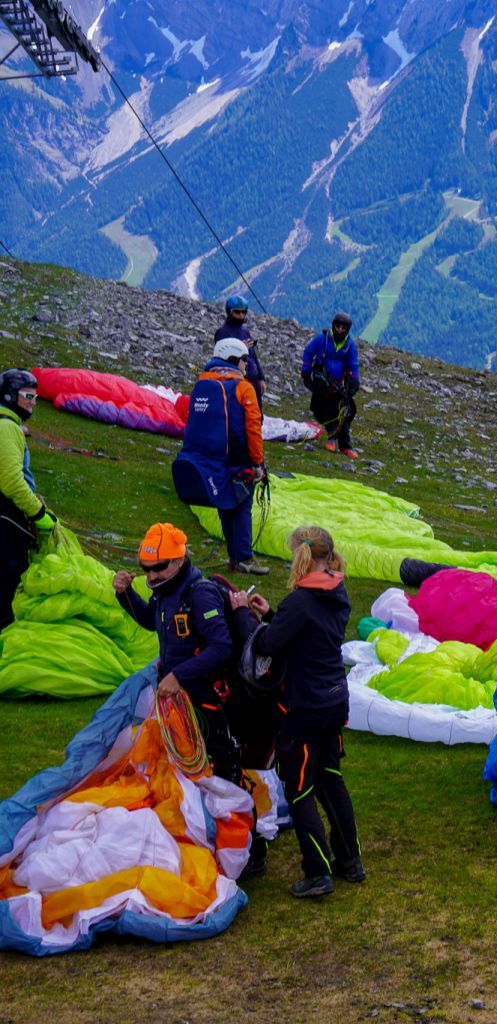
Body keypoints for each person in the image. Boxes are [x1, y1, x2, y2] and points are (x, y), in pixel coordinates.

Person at [230, 526, 361, 897]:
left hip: (304, 706)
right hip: (334, 698)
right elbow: (307, 632)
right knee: (330, 777)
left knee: (299, 787)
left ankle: (317, 872)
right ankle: (350, 860)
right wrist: (273, 613)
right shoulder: (338, 591)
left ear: (300, 555)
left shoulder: (300, 601)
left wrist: (243, 614)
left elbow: (269, 644)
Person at [113, 523, 241, 781]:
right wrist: (125, 595)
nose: (151, 576)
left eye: (159, 567)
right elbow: (151, 620)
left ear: (179, 560)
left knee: (213, 767)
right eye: (145, 568)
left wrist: (179, 676)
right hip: (180, 698)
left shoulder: (200, 595)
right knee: (182, 764)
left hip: (206, 699)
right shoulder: (165, 590)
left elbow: (222, 646)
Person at [173, 338, 268, 575]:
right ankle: (244, 558)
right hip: (238, 459)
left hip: (211, 460)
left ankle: (234, 557)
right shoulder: (243, 387)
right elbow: (253, 427)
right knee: (242, 505)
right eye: (244, 360)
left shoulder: (203, 383)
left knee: (225, 504)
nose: (246, 365)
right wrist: (257, 462)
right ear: (234, 359)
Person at [0, 370, 56, 628]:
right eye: (29, 396)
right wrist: (38, 513)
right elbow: (11, 481)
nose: (34, 403)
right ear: (11, 396)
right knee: (7, 585)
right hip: (7, 519)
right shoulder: (7, 428)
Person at [302, 312, 361, 457]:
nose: (340, 330)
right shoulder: (322, 339)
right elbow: (308, 353)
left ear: (348, 329)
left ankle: (342, 444)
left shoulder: (349, 346)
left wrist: (354, 382)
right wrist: (306, 372)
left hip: (337, 386)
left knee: (346, 410)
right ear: (333, 326)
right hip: (320, 383)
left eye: (343, 328)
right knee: (319, 409)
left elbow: (353, 365)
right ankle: (333, 439)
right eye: (337, 326)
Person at [214, 295, 265, 405]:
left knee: (256, 411)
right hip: (237, 380)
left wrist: (261, 378)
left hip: (253, 377)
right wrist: (240, 348)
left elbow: (253, 356)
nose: (241, 315)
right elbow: (221, 359)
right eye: (237, 312)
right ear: (230, 312)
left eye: (244, 312)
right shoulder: (222, 332)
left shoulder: (245, 331)